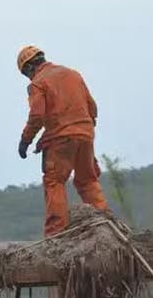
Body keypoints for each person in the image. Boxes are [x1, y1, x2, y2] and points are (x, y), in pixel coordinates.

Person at [16, 45, 111, 237]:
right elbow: (92, 108)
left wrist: (25, 140)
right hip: (86, 134)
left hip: (61, 140)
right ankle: (106, 224)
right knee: (87, 179)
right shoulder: (73, 75)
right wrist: (83, 132)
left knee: (54, 181)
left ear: (28, 69)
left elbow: (37, 116)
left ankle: (56, 234)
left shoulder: (38, 83)